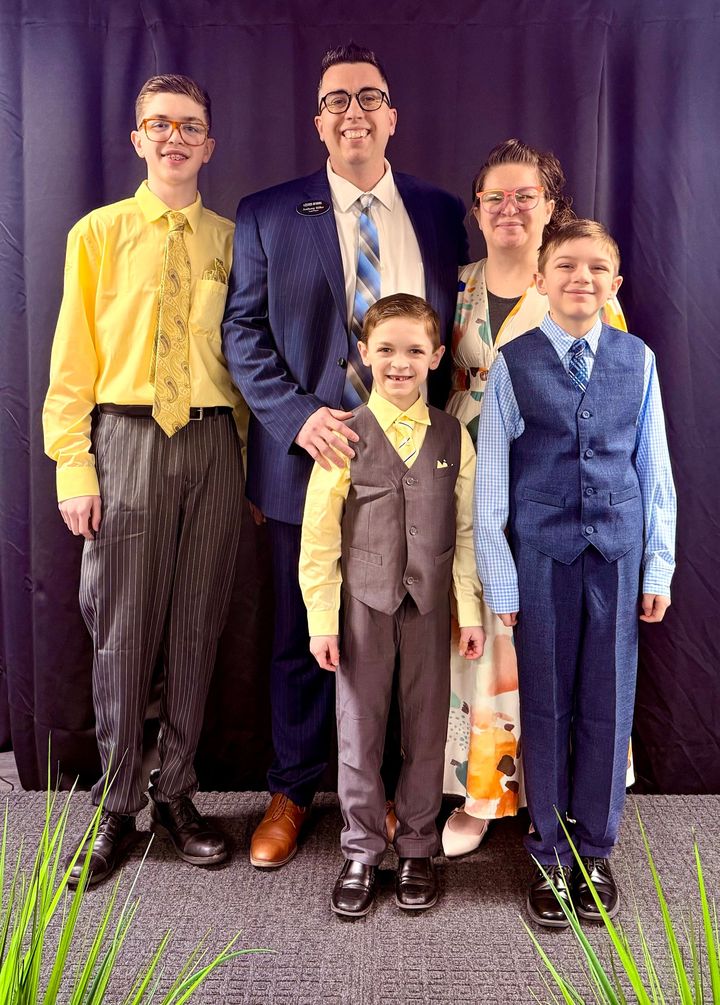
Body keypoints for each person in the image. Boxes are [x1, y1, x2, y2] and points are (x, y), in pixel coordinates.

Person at [222, 43, 468, 869]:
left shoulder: (436, 211)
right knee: (305, 631)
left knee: (403, 636)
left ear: (393, 116)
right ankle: (292, 790)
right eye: (336, 100)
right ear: (318, 120)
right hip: (310, 464)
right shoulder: (266, 212)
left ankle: (400, 796)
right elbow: (242, 334)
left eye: (370, 97)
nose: (353, 111)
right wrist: (298, 419)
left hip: (413, 469)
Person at [43, 74, 244, 885]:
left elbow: (245, 358)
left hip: (213, 444)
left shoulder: (233, 240)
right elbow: (71, 364)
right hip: (125, 437)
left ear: (209, 142)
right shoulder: (96, 234)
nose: (173, 137)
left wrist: (250, 469)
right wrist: (72, 464)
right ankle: (118, 804)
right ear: (137, 139)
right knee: (123, 631)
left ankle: (178, 791)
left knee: (197, 626)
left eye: (189, 124)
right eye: (157, 124)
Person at [474, 219, 676, 927]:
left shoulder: (638, 359)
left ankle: (595, 848)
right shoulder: (514, 363)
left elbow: (655, 475)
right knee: (549, 707)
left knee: (607, 705)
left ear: (614, 284)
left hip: (617, 558)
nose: (580, 279)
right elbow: (491, 482)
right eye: (565, 266)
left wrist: (659, 565)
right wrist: (501, 578)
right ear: (541, 277)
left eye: (596, 268)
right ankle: (551, 854)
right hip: (541, 560)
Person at [442, 139, 627, 857]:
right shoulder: (457, 284)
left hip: (557, 487)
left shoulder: (581, 285)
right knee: (482, 632)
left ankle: (571, 792)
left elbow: (613, 401)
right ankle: (483, 790)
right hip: (472, 476)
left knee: (560, 644)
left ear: (552, 208)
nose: (511, 209)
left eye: (527, 196)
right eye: (497, 197)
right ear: (479, 210)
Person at [300, 293, 484, 916]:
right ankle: (359, 848)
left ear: (436, 356)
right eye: (386, 350)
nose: (399, 363)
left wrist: (470, 610)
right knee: (359, 729)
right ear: (364, 354)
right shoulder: (342, 434)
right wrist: (321, 620)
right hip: (362, 608)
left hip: (431, 608)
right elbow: (320, 536)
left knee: (428, 730)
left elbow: (464, 532)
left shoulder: (453, 435)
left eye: (413, 351)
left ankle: (416, 846)